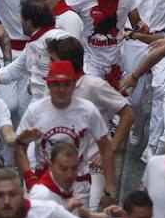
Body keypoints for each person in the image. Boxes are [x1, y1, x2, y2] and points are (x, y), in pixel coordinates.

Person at [16, 59, 114, 206]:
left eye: (66, 84)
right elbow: (19, 147)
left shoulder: (88, 110)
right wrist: (29, 178)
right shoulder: (35, 111)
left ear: (75, 84)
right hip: (43, 184)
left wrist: (109, 190)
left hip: (78, 185)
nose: (61, 90)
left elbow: (106, 149)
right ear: (48, 85)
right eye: (56, 84)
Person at [65, 0, 148, 86]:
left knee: (121, 100)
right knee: (93, 97)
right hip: (90, 59)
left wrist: (140, 26)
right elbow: (64, 16)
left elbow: (136, 22)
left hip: (117, 57)